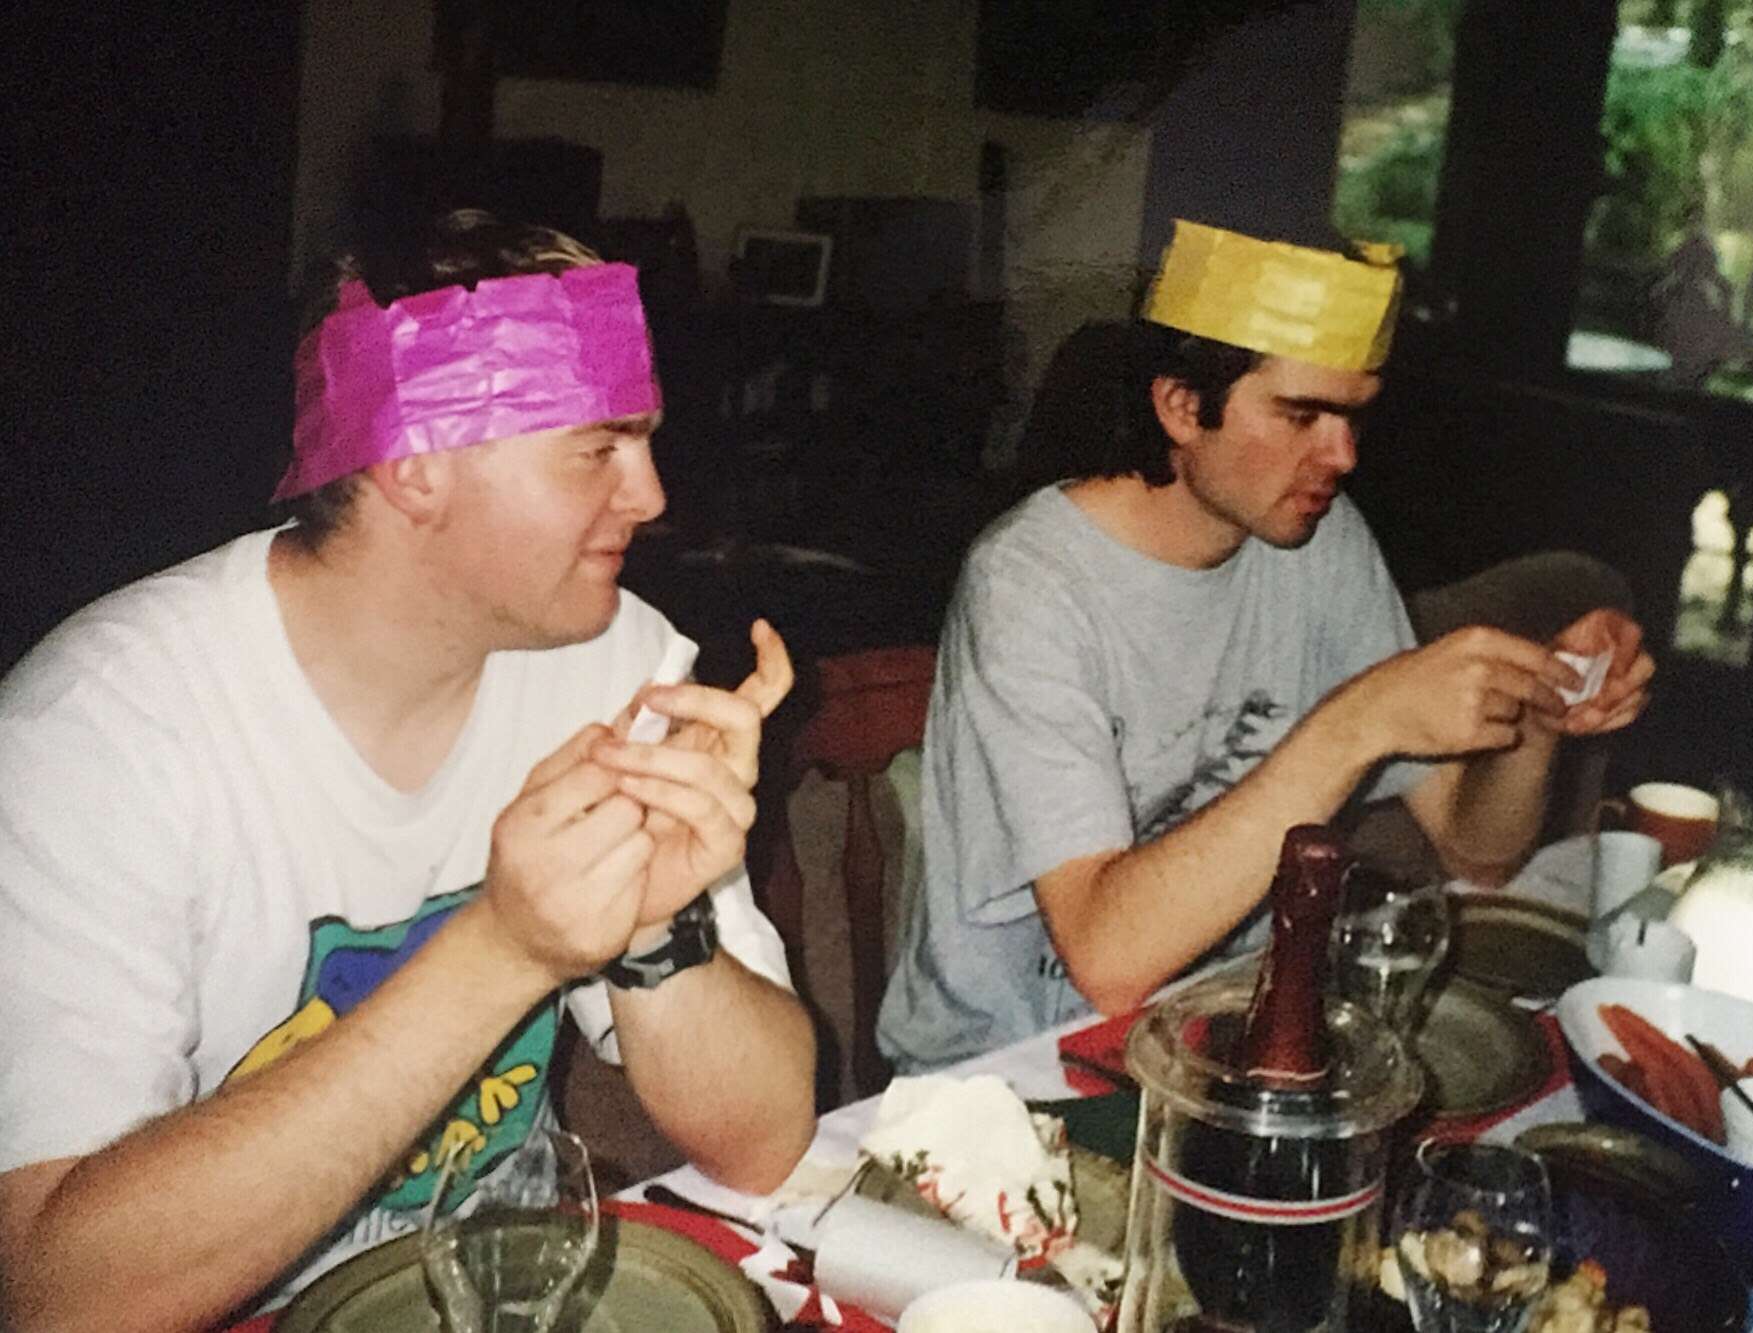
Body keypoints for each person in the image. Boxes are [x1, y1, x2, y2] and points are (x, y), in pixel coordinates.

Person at [0, 211, 817, 1330]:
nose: (651, 495)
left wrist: (653, 928)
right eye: (599, 449)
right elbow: (52, 1295)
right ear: (416, 465)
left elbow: (763, 1142)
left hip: (500, 1291)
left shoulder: (610, 661)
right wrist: (506, 948)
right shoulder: (97, 737)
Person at [879, 220, 1653, 1072]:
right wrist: (1355, 723)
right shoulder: (1028, 583)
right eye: (1301, 414)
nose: (1342, 454)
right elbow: (1109, 962)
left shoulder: (1322, 540)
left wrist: (1540, 713)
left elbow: (1478, 852)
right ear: (1181, 406)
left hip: (1220, 1043)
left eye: (1354, 414)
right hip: (1005, 1075)